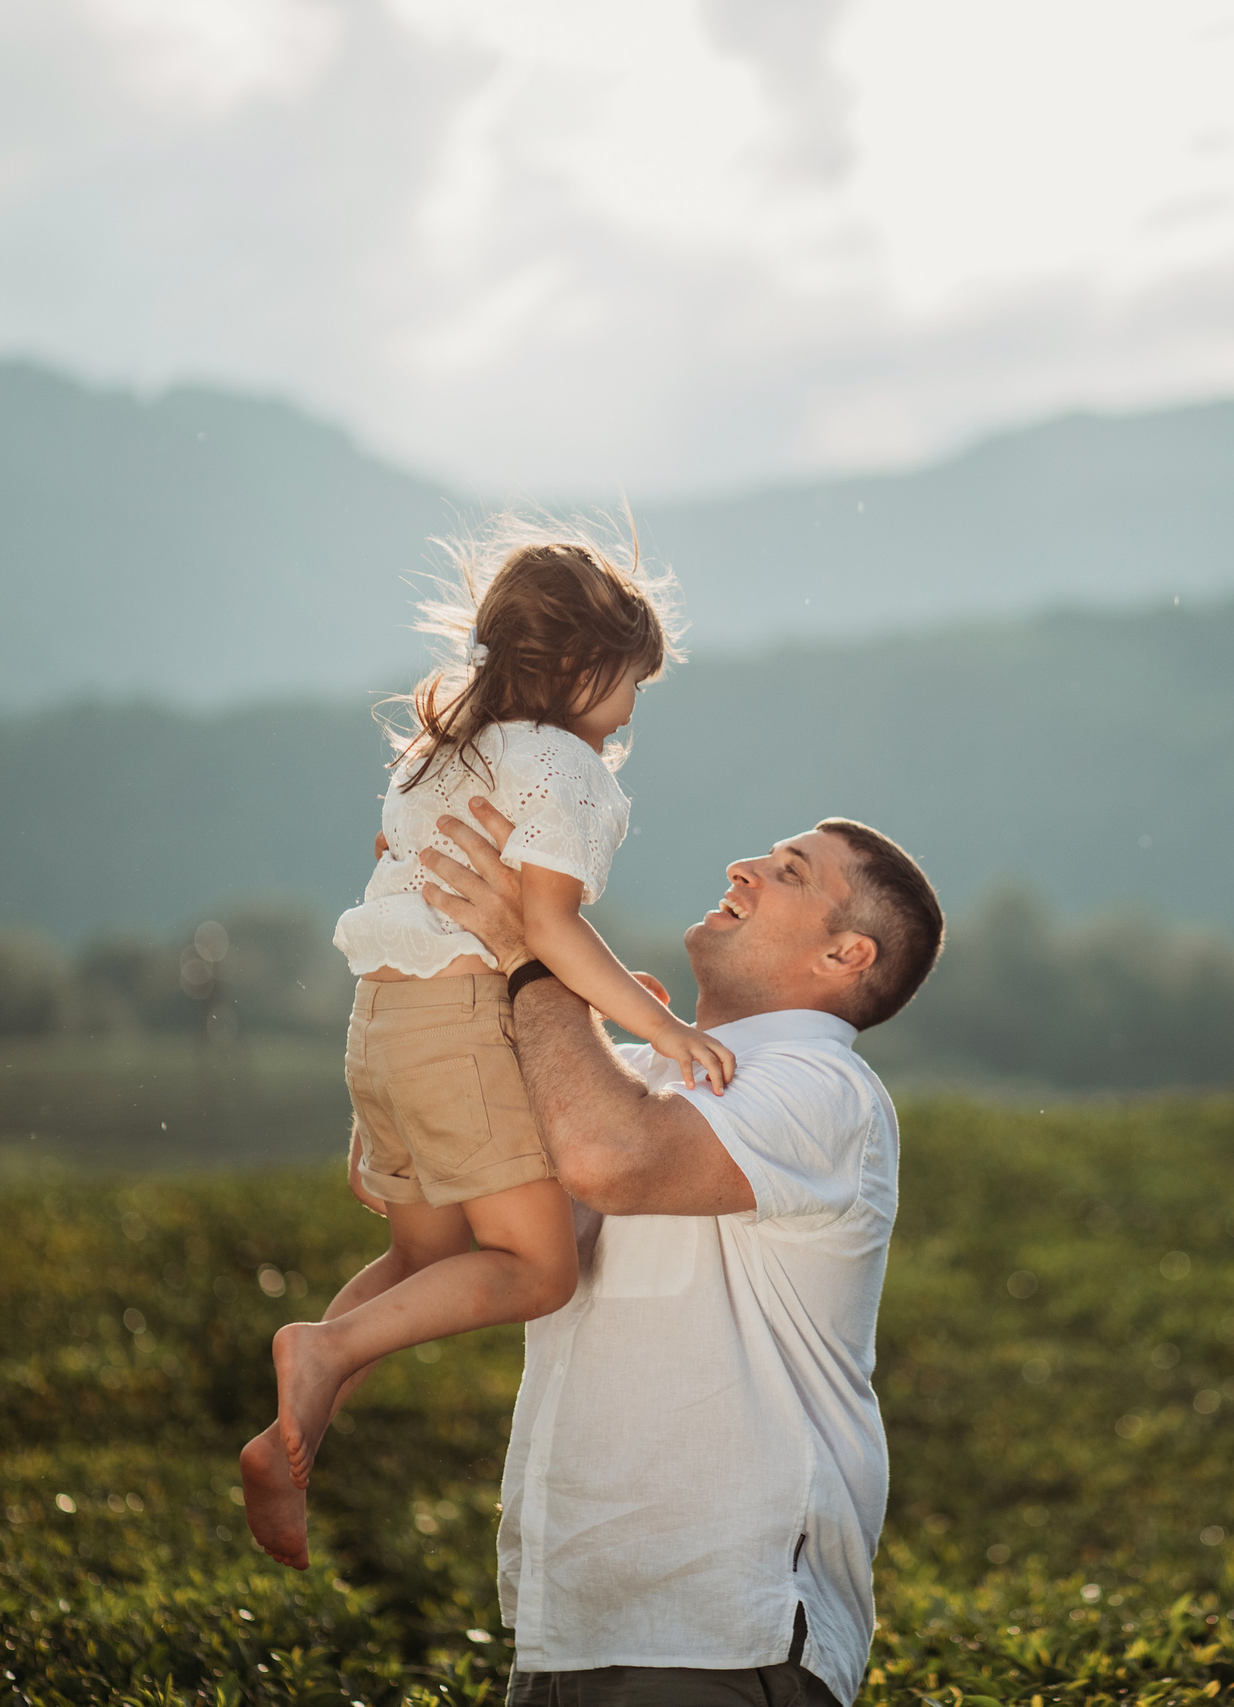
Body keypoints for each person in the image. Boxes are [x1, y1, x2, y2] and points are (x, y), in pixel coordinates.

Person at [240, 529, 735, 1554]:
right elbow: (547, 929)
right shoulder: (565, 767)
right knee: (538, 1268)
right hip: (459, 1023)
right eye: (631, 680)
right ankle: (320, 1351)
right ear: (573, 669)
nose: (635, 706)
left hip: (382, 1024)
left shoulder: (439, 756)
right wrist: (662, 1026)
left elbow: (405, 887)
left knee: (420, 1253)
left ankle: (294, 1436)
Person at [423, 796, 940, 1707]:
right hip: (572, 1626)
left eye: (790, 871)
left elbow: (609, 1159)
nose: (746, 867)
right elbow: (502, 1230)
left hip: (723, 1632)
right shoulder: (651, 1078)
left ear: (845, 955)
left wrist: (536, 946)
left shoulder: (826, 1089)